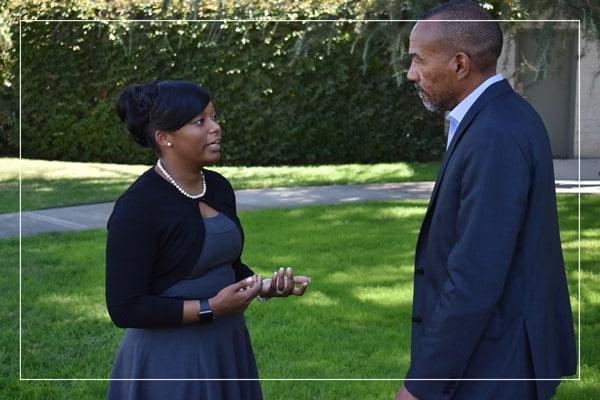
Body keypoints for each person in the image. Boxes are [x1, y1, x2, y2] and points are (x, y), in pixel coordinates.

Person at [396, 1, 577, 399]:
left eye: (418, 61)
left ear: (460, 64)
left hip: (497, 362)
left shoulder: (494, 132)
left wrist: (421, 385)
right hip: (496, 353)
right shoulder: (498, 117)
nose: (411, 74)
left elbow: (474, 276)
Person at [105, 80, 310, 400]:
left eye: (214, 117)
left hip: (226, 347)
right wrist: (209, 308)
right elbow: (125, 308)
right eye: (200, 122)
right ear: (165, 137)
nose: (216, 128)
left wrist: (265, 287)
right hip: (170, 363)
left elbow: (227, 265)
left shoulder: (217, 188)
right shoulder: (137, 208)